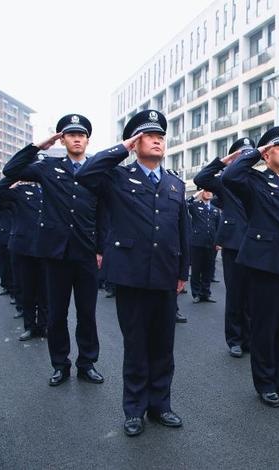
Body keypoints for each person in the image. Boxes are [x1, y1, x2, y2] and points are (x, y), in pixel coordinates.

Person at [76, 109, 190, 436]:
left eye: (160, 136)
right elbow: (86, 174)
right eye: (148, 135)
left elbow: (182, 230)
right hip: (131, 274)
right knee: (137, 345)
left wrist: (183, 271)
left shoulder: (174, 184)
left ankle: (160, 405)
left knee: (163, 347)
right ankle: (135, 409)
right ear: (136, 141)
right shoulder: (118, 178)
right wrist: (122, 148)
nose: (157, 140)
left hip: (167, 274)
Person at [2, 114, 103, 387]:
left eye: (81, 134)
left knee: (87, 313)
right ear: (63, 139)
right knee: (57, 313)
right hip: (54, 252)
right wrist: (39, 146)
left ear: (87, 139)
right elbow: (11, 170)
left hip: (86, 252)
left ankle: (87, 363)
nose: (77, 138)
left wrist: (102, 248)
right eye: (70, 134)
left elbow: (104, 212)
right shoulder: (47, 167)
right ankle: (60, 364)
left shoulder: (97, 168)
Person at [222, 126, 279, 408]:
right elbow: (229, 176)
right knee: (265, 328)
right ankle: (265, 383)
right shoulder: (256, 182)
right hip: (266, 267)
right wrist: (254, 153)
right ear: (267, 152)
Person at [194, 137, 253, 358]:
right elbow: (202, 178)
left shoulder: (258, 179)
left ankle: (250, 338)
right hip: (234, 243)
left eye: (249, 153)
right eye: (241, 153)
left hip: (257, 244)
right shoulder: (224, 180)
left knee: (255, 295)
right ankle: (235, 339)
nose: (245, 156)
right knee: (236, 293)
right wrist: (224, 161)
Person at [0, 177, 48, 339]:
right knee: (27, 289)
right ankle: (30, 326)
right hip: (23, 247)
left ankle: (44, 326)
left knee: (45, 291)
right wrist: (13, 180)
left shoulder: (49, 189)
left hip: (45, 247)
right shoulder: (18, 192)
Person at [187, 189, 220, 303]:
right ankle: (196, 293)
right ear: (202, 193)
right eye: (206, 191)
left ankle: (205, 293)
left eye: (210, 191)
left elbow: (218, 227)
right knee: (196, 269)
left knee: (208, 269)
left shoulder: (215, 210)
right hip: (197, 242)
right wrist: (195, 195)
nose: (208, 193)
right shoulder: (195, 206)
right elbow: (185, 204)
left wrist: (219, 242)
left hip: (211, 244)